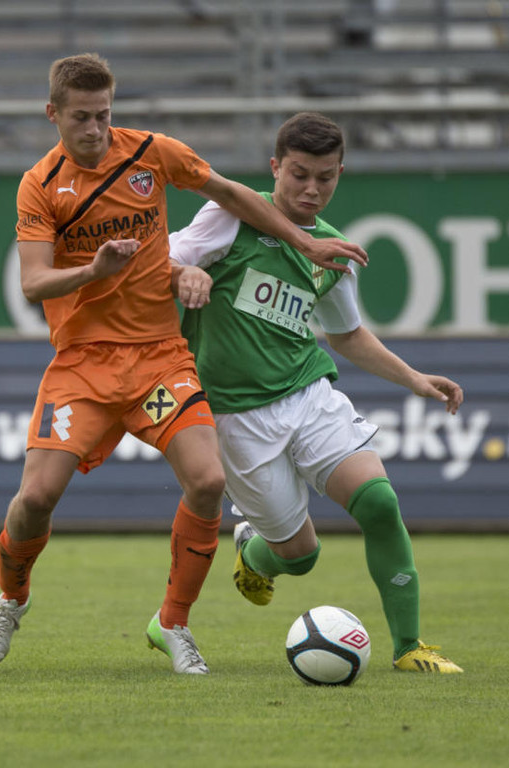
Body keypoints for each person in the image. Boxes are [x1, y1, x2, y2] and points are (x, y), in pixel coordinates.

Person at [0, 58, 368, 675]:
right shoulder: (39, 186)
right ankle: (12, 598)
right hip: (83, 366)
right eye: (81, 118)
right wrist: (94, 270)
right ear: (53, 114)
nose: (95, 129)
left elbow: (231, 194)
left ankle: (174, 623)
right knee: (36, 497)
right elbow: (33, 283)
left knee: (207, 481)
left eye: (104, 115)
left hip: (159, 359)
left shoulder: (151, 153)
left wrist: (306, 240)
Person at [169, 111, 464, 674]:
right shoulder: (230, 217)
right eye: (299, 174)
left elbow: (347, 335)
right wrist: (184, 274)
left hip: (307, 393)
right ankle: (256, 553)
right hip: (235, 416)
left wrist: (414, 379)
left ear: (340, 174)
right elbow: (161, 258)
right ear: (275, 168)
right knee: (301, 556)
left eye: (325, 177)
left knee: (379, 502)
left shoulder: (330, 250)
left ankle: (409, 647)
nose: (311, 189)